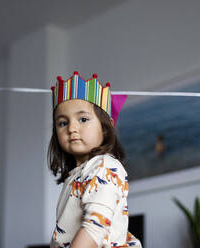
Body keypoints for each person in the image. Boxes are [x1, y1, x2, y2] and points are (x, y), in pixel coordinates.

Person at [48, 71, 142, 248]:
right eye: (63, 122)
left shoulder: (104, 166)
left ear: (106, 128)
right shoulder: (77, 174)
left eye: (83, 119)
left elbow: (95, 228)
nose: (72, 128)